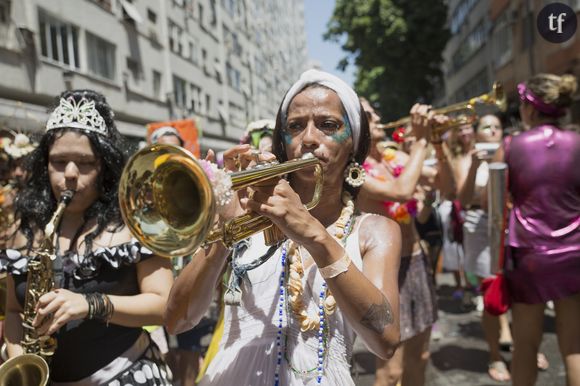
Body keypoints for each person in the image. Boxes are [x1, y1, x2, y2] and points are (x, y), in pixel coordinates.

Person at [165, 69, 401, 385]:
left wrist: (316, 237)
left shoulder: (375, 231)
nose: (309, 139)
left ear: (353, 145)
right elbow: (177, 321)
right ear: (283, 142)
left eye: (328, 125)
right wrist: (224, 231)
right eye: (295, 127)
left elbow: (386, 340)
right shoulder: (249, 212)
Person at [0, 89, 174, 385]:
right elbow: (15, 311)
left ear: (105, 166)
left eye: (84, 162)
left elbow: (165, 306)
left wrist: (91, 303)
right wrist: (21, 362)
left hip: (126, 374)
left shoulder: (135, 222)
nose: (69, 174)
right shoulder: (26, 228)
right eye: (58, 162)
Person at [358, 99, 453, 386]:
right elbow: (400, 192)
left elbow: (447, 186)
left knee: (420, 358)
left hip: (416, 262)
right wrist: (421, 141)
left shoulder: (392, 158)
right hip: (387, 271)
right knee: (390, 374)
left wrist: (437, 143)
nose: (377, 116)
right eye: (367, 115)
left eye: (375, 111)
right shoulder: (355, 170)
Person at [496, 74, 580, 386]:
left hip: (528, 255)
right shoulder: (578, 142)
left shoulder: (511, 145)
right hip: (574, 251)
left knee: (526, 345)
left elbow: (490, 205)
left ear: (531, 108)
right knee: (574, 345)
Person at [454, 114, 514, 382]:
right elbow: (464, 200)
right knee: (490, 292)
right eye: (486, 126)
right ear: (476, 133)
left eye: (497, 126)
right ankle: (495, 354)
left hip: (512, 225)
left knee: (520, 291)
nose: (492, 130)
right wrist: (477, 164)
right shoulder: (468, 159)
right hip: (479, 226)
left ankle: (525, 344)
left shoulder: (514, 153)